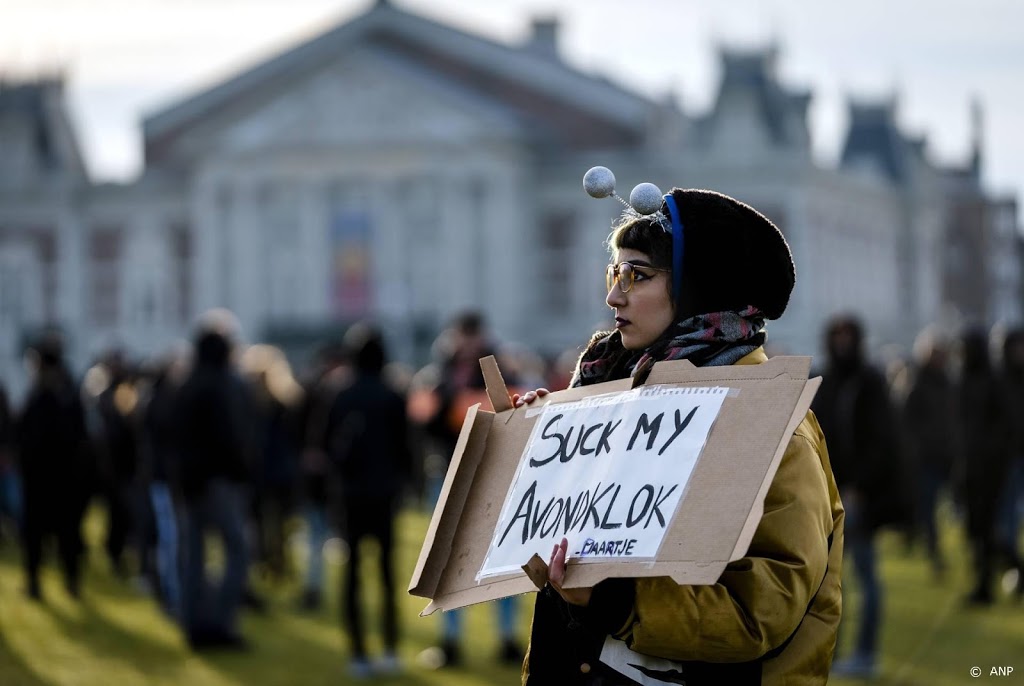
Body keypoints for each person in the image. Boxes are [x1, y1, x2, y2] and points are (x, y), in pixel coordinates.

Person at [516, 171, 844, 685]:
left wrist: (612, 601)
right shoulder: (613, 391)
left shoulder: (773, 422)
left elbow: (763, 608)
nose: (614, 298)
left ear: (699, 289)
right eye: (614, 274)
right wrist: (542, 455)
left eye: (638, 276)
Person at [812, 315, 908, 678]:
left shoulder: (869, 382)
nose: (841, 342)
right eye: (836, 335)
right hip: (827, 492)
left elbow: (882, 442)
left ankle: (866, 654)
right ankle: (831, 653)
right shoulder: (827, 380)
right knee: (829, 580)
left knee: (865, 576)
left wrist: (860, 486)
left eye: (847, 335)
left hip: (858, 495)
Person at [326, 323, 411, 677]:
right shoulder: (392, 395)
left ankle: (358, 652)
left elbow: (327, 446)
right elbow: (405, 448)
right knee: (388, 574)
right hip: (385, 493)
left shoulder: (340, 394)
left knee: (352, 575)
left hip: (349, 494)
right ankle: (390, 648)